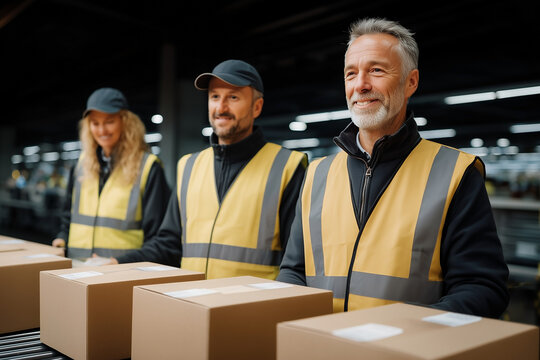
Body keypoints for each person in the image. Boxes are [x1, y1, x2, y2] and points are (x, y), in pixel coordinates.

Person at [277, 18, 509, 318]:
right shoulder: (317, 174)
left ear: (410, 82)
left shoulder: (455, 173)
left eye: (376, 70)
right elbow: (294, 271)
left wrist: (401, 334)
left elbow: (482, 288)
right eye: (351, 73)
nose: (361, 84)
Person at [119, 59, 308, 279]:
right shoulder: (189, 166)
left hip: (252, 309)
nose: (221, 107)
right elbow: (169, 245)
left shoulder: (287, 167)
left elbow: (296, 263)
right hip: (194, 305)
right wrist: (117, 263)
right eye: (214, 96)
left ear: (257, 107)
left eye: (233, 97)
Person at [52, 87, 171, 264]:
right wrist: (61, 238)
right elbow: (68, 216)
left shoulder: (147, 167)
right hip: (77, 269)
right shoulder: (81, 165)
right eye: (95, 123)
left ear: (125, 122)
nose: (101, 130)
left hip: (122, 275)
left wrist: (118, 261)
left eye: (109, 121)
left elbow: (159, 238)